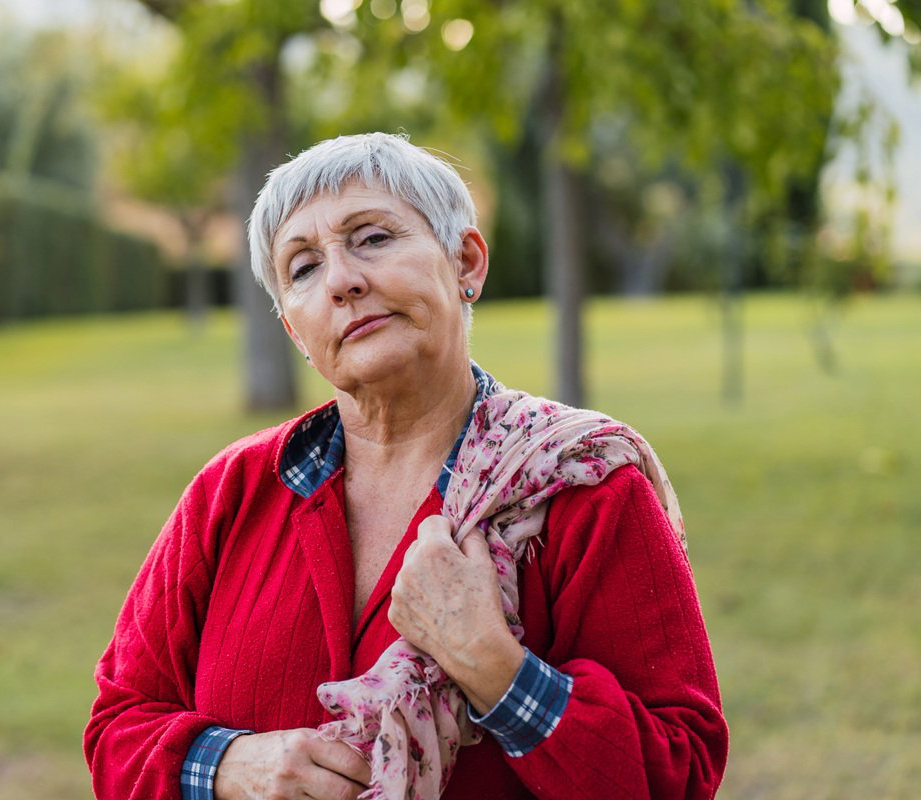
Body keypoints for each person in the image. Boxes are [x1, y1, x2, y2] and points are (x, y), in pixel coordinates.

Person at [85, 132, 727, 800]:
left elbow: (679, 776)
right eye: (302, 268)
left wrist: (497, 671)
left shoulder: (582, 487)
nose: (342, 280)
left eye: (373, 238)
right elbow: (117, 727)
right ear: (294, 333)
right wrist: (224, 765)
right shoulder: (230, 494)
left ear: (466, 262)